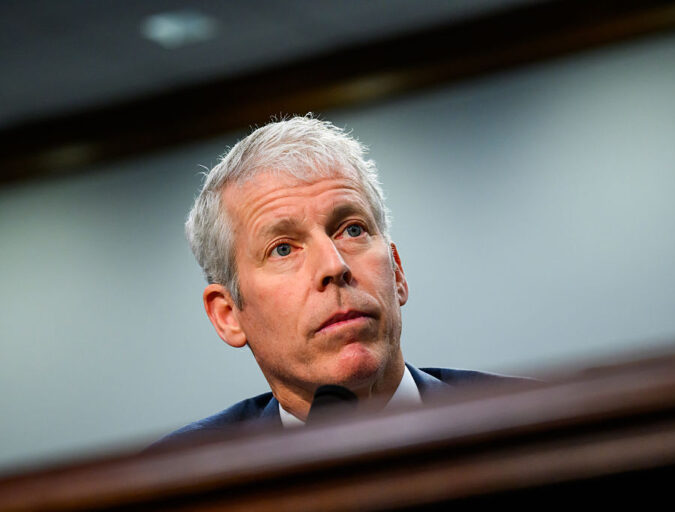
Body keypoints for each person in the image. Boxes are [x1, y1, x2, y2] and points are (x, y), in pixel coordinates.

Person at [159, 115, 522, 444]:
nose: (334, 266)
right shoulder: (179, 476)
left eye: (352, 229)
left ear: (397, 271)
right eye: (283, 249)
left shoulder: (528, 421)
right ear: (228, 316)